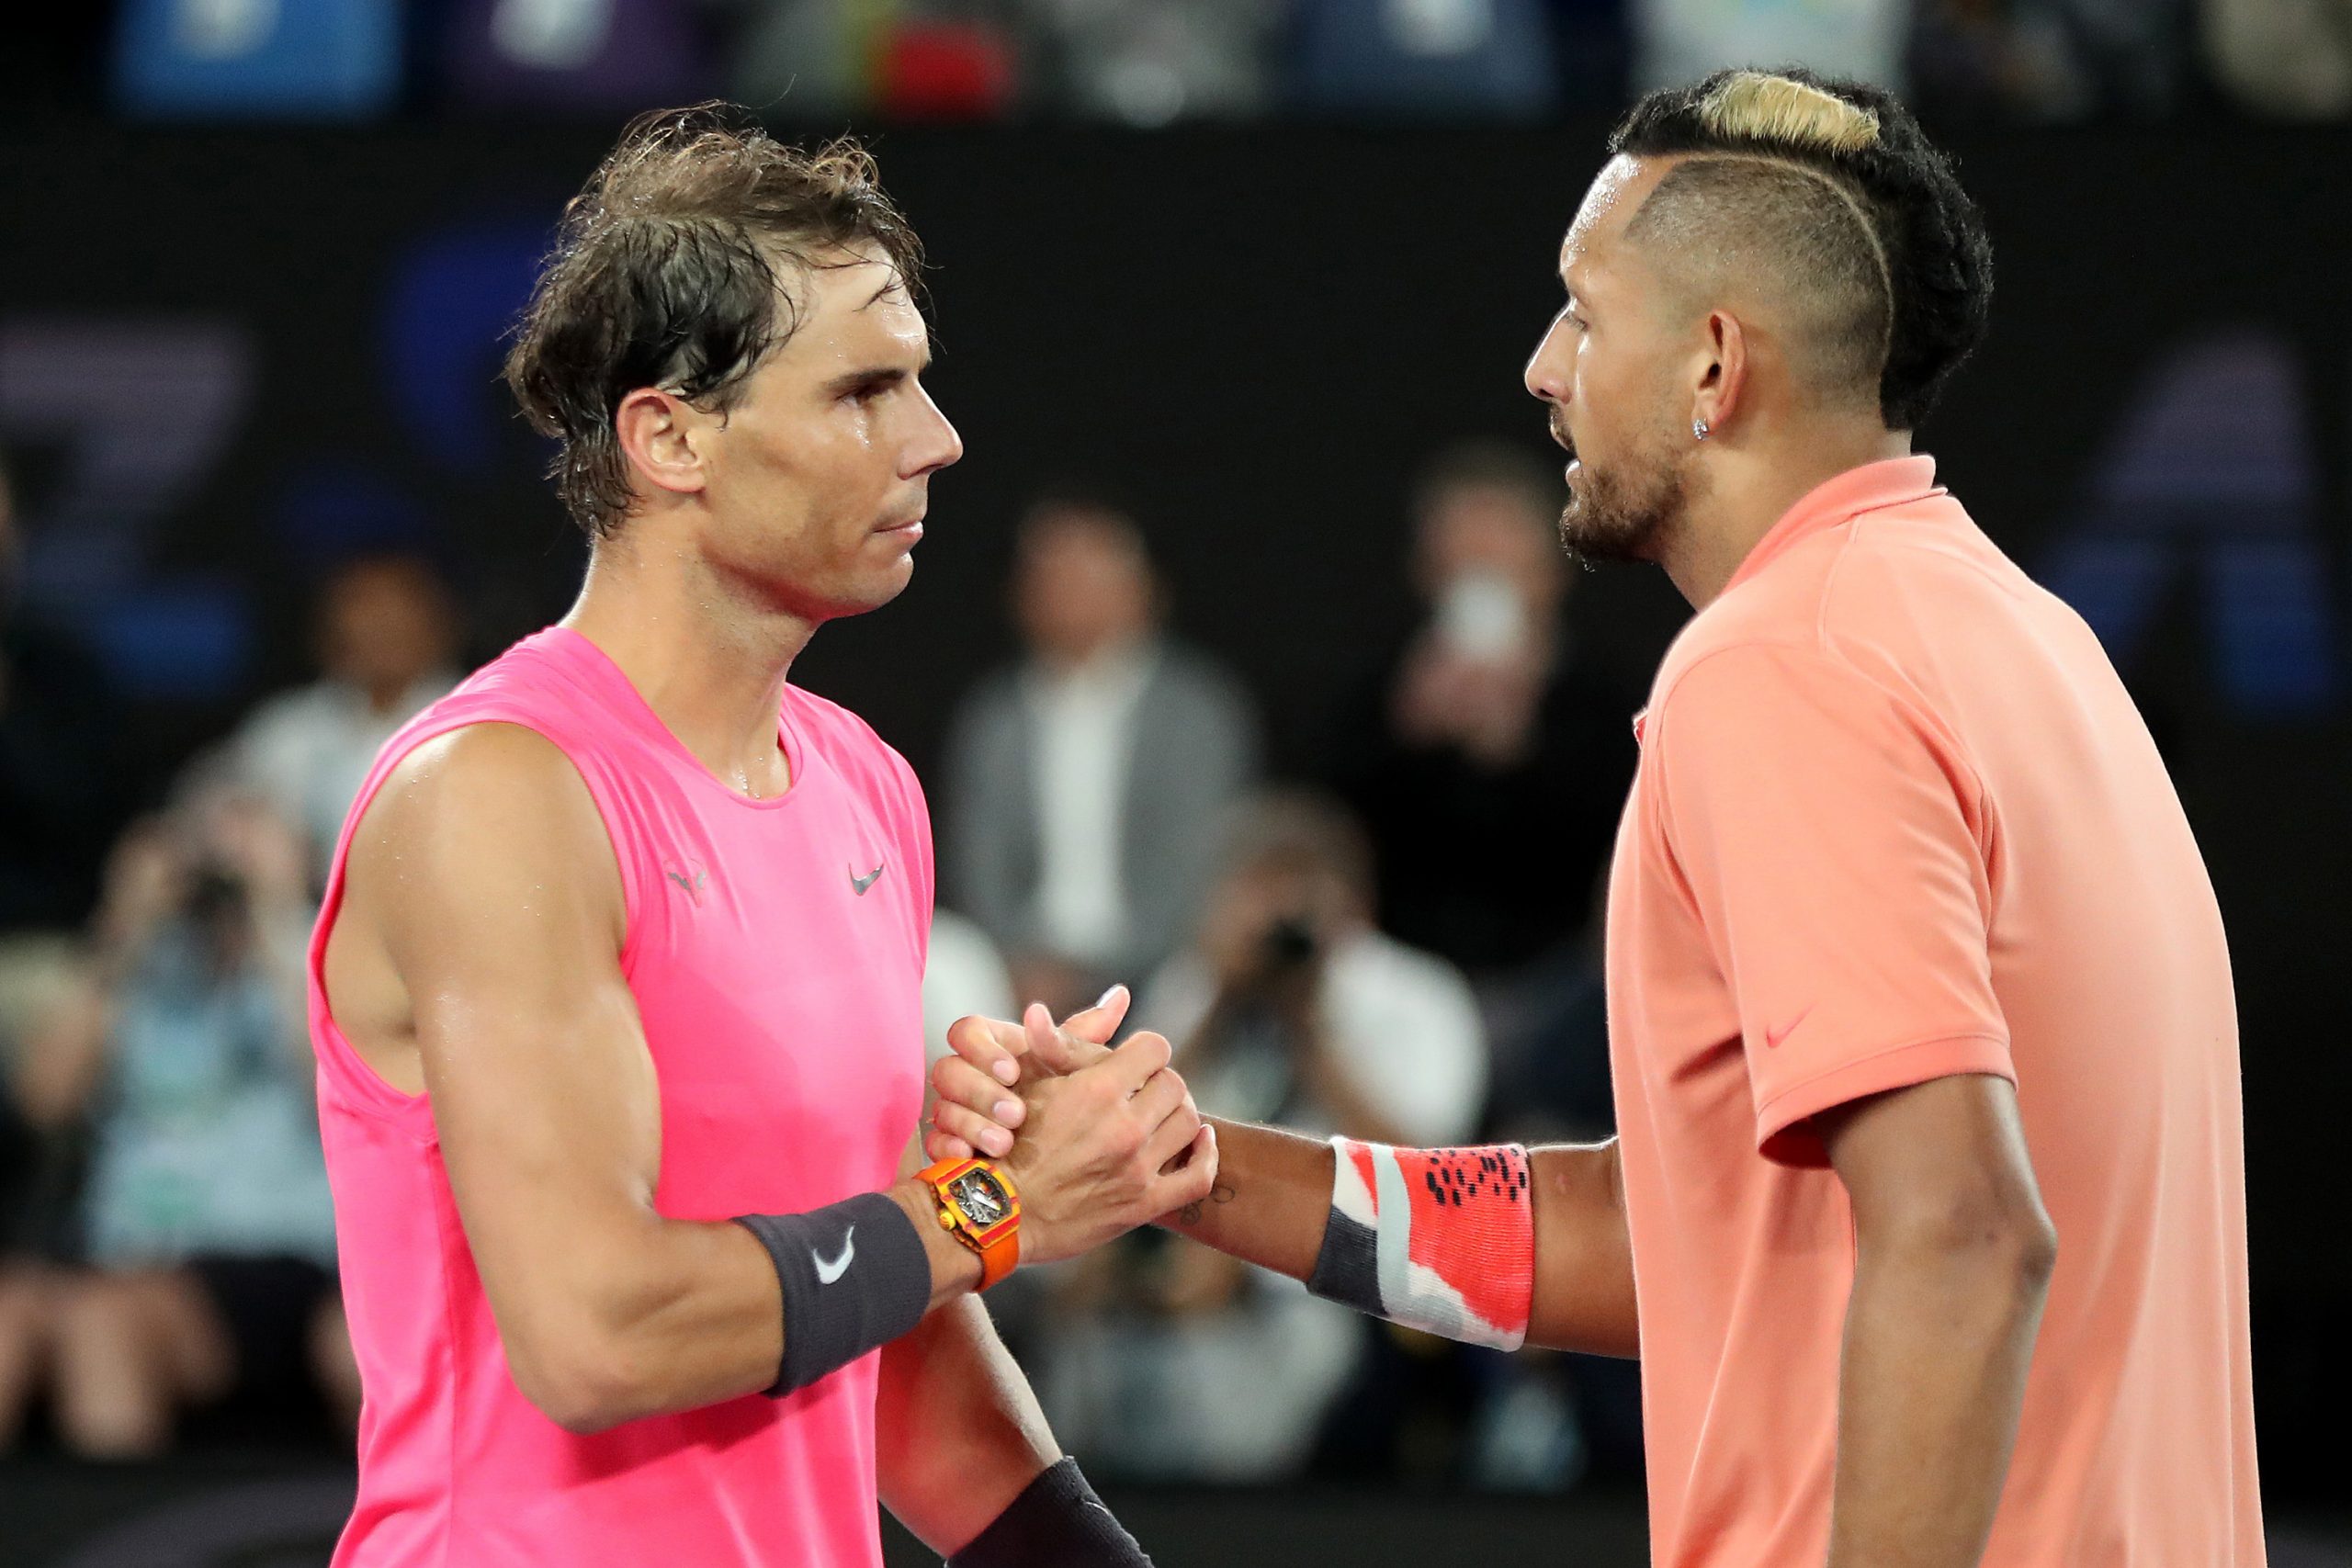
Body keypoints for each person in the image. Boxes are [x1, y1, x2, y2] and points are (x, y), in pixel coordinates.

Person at [931, 68, 2265, 1568]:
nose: (1541, 365)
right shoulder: (2022, 639)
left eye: (1583, 308)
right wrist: (1190, 1168)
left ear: (1712, 367)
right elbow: (1669, 1243)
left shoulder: (1784, 664)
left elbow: (1964, 1229)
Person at [310, 107, 1212, 1568]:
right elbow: (599, 1328)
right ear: (670, 436)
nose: (938, 437)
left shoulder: (865, 786)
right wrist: (994, 1202)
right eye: (865, 389)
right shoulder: (495, 793)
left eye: (920, 382)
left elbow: (884, 1340)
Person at [1032, 793, 1486, 1481]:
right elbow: (1123, 1121)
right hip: (1177, 1260)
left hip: (1331, 1286)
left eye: (1299, 889)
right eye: (1259, 888)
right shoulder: (1199, 983)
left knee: (1253, 1388)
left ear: (1351, 901)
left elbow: (1434, 1181)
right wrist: (1219, 999)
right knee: (1073, 1331)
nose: (1278, 917)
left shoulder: (1412, 995)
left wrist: (1309, 1029)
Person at [0, 793, 353, 1457]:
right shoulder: (144, 972)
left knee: (103, 1323)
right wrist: (124, 925)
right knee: (10, 1316)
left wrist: (278, 906)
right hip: (130, 1254)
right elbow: (44, 1099)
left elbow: (337, 1086)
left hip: (272, 1260)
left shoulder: (307, 966)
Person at [1328, 440, 1634, 981]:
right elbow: (1329, 829)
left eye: (1498, 555)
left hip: (1561, 981)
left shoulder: (1608, 705)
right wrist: (1409, 735)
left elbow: (1618, 848)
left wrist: (1518, 750)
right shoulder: (1378, 699)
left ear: (1551, 569)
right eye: (1461, 557)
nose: (1478, 570)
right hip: (1403, 980)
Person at [944, 491, 1259, 1015]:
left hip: (1162, 971)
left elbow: (1196, 862)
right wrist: (1019, 962)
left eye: (1088, 572)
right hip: (1016, 973)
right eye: (1049, 575)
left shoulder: (1196, 714)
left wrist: (1101, 974)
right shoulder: (994, 718)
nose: (1066, 591)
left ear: (1143, 588)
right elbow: (978, 863)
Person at [208, 553, 461, 881]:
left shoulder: (480, 726)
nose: (382, 622)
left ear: (442, 622)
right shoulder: (286, 729)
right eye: (363, 604)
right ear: (327, 628)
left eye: (400, 603)